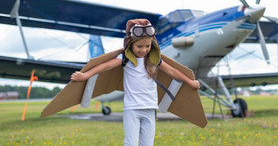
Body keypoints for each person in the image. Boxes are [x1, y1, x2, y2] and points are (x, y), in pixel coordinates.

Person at [71, 19, 200, 146]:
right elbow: (105, 66)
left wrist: (190, 81)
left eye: (148, 46)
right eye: (139, 46)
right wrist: (85, 75)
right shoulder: (125, 59)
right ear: (131, 44)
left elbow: (172, 71)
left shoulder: (154, 60)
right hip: (132, 109)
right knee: (130, 143)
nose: (144, 50)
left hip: (150, 109)